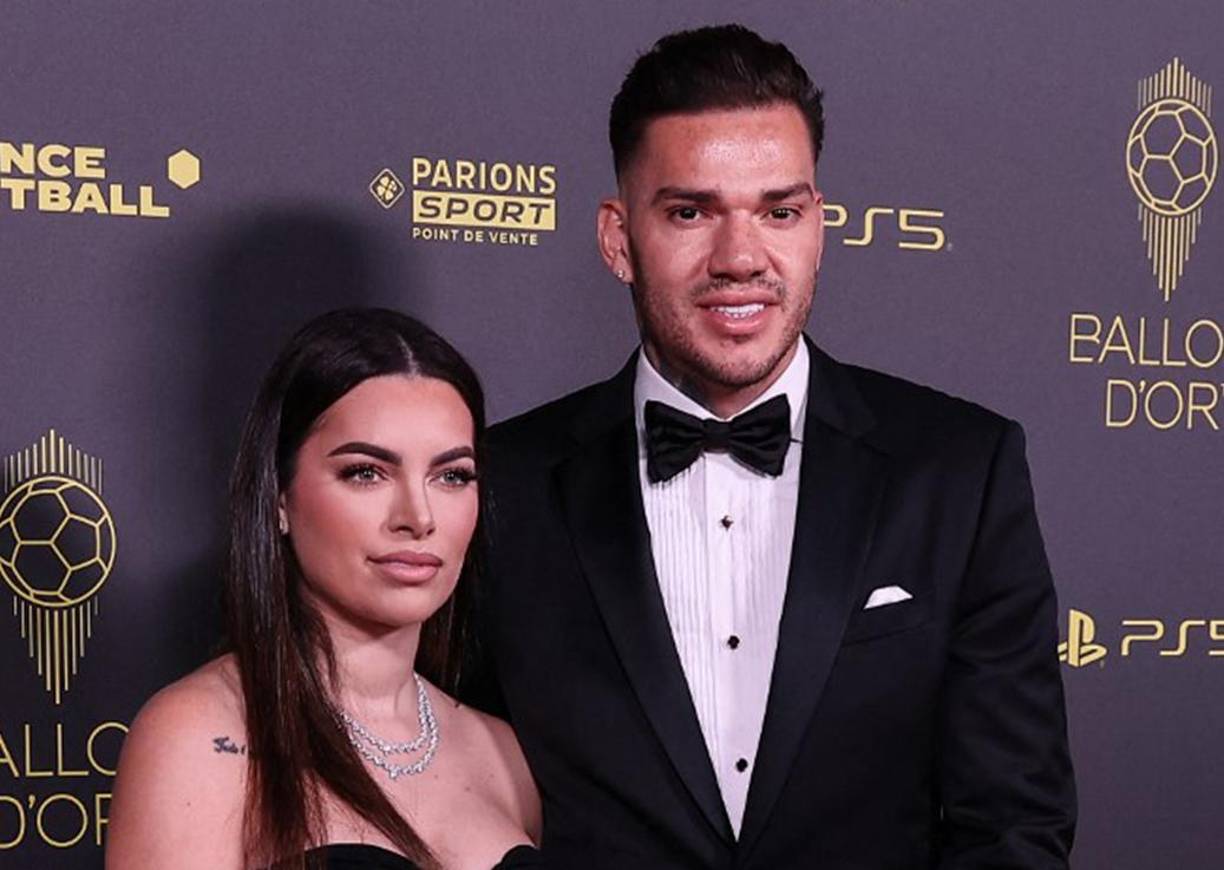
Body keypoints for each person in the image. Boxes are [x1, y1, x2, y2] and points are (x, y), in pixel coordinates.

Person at [468, 24, 1076, 868]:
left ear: (819, 224)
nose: (741, 257)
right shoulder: (499, 485)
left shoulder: (960, 472)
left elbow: (1012, 828)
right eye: (690, 212)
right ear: (618, 237)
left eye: (779, 211)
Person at [107, 309, 541, 870]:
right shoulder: (197, 738)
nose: (419, 516)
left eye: (451, 475)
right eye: (366, 472)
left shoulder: (503, 752)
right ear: (280, 499)